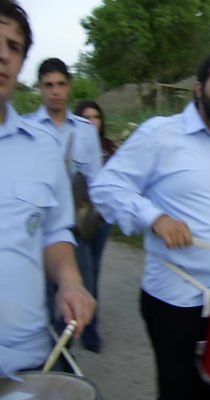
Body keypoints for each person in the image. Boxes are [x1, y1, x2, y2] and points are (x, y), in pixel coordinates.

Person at [90, 50, 210, 400]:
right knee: (179, 393)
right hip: (178, 301)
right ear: (198, 88)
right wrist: (155, 217)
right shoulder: (161, 134)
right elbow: (106, 187)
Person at [0, 0, 95, 378]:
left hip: (30, 355)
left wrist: (70, 282)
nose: (2, 55)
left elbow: (54, 231)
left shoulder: (43, 148)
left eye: (13, 46)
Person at [25, 58, 103, 352]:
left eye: (60, 84)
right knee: (40, 300)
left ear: (68, 86)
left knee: (81, 293)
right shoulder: (26, 128)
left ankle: (63, 353)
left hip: (75, 230)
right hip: (37, 230)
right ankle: (44, 357)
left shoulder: (85, 130)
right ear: (40, 88)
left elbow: (95, 179)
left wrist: (93, 217)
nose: (55, 91)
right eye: (48, 85)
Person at [72, 100, 118, 352]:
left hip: (102, 221)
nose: (92, 122)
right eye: (86, 118)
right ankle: (75, 324)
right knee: (83, 273)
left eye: (96, 117)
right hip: (78, 221)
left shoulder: (110, 149)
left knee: (95, 271)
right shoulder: (72, 146)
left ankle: (90, 327)